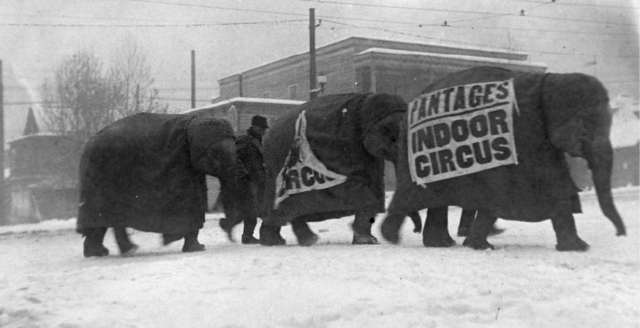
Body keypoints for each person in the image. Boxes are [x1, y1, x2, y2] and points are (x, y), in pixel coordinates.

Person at [224, 114, 269, 244]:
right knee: (252, 209)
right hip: (248, 182)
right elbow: (234, 157)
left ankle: (244, 233)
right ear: (255, 127)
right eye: (262, 128)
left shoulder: (257, 141)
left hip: (258, 181)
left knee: (255, 208)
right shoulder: (245, 140)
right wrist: (244, 174)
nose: (264, 131)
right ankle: (246, 235)